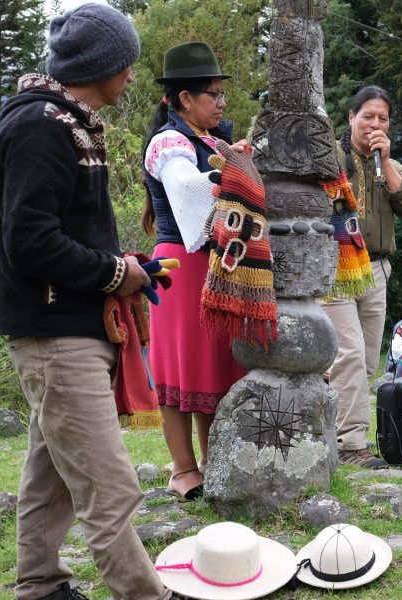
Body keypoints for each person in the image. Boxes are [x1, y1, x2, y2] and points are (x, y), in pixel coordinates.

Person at [0, 4, 171, 600]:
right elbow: (30, 240)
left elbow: (61, 231)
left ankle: (41, 587)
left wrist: (128, 267)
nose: (133, 76)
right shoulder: (43, 126)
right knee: (109, 487)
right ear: (103, 64)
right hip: (55, 333)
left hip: (64, 326)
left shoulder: (64, 122)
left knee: (52, 481)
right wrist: (116, 272)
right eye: (128, 64)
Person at [140, 42, 252, 501]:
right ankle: (183, 469)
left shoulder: (211, 140)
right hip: (179, 265)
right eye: (213, 94)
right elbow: (187, 190)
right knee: (180, 368)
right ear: (185, 99)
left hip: (214, 263)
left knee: (212, 364)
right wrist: (235, 172)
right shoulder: (169, 143)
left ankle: (213, 461)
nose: (222, 103)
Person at [322, 86, 402, 468]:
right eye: (368, 116)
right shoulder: (331, 154)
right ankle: (352, 446)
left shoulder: (389, 165)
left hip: (377, 268)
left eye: (382, 118)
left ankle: (329, 432)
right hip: (337, 265)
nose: (374, 124)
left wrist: (387, 162)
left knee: (364, 361)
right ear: (351, 118)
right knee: (347, 355)